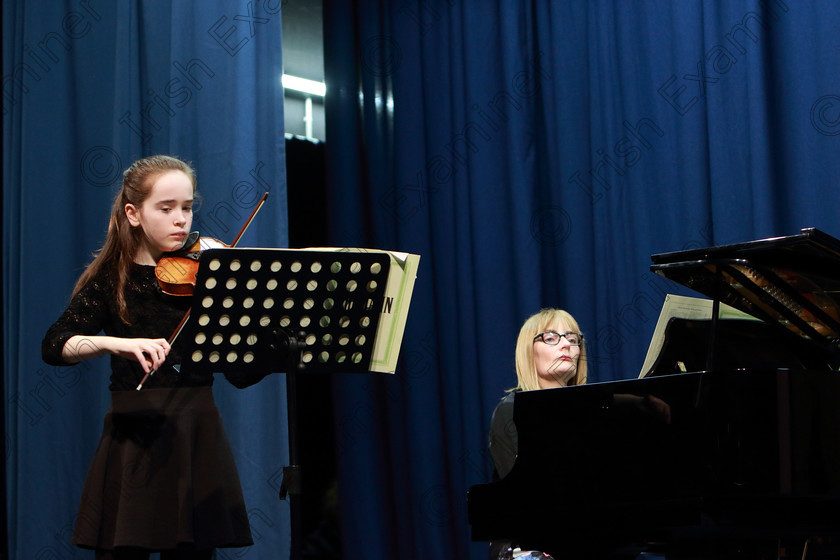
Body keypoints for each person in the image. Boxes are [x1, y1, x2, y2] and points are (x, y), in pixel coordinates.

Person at [42, 155, 266, 560]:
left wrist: (262, 341)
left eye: (187, 207)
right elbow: (55, 345)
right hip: (134, 437)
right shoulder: (113, 278)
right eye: (166, 208)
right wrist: (116, 343)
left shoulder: (208, 275)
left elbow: (240, 376)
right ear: (133, 213)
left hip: (197, 432)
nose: (180, 219)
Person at [487, 308, 587, 560]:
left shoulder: (591, 412)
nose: (565, 344)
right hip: (531, 539)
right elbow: (529, 496)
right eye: (551, 337)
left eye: (572, 338)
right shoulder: (511, 410)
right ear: (528, 352)